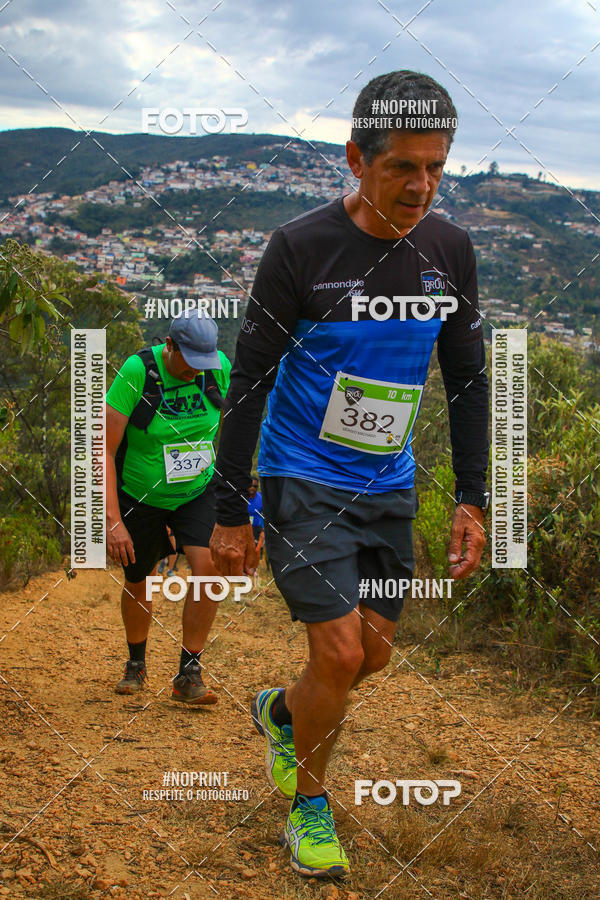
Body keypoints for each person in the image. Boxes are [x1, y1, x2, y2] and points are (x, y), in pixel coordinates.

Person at [210, 70, 489, 878]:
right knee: (335, 655)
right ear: (355, 160)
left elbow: (468, 380)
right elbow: (250, 381)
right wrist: (234, 506)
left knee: (370, 657)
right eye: (403, 166)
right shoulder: (300, 249)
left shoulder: (449, 251)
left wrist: (471, 499)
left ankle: (280, 713)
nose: (422, 185)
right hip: (302, 474)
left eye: (436, 167)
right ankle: (309, 806)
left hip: (388, 482)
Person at [106, 309, 231, 704]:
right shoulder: (136, 372)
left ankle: (188, 673)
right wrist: (113, 522)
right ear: (170, 345)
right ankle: (136, 663)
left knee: (207, 567)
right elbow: (103, 449)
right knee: (139, 575)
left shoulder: (218, 368)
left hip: (196, 490)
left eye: (204, 363)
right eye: (190, 361)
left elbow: (230, 429)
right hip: (140, 495)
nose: (198, 371)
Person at [247, 478, 264, 549]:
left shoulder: (261, 498)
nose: (252, 488)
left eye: (255, 486)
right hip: (244, 528)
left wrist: (263, 530)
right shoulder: (241, 497)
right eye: (251, 485)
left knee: (256, 550)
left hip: (257, 529)